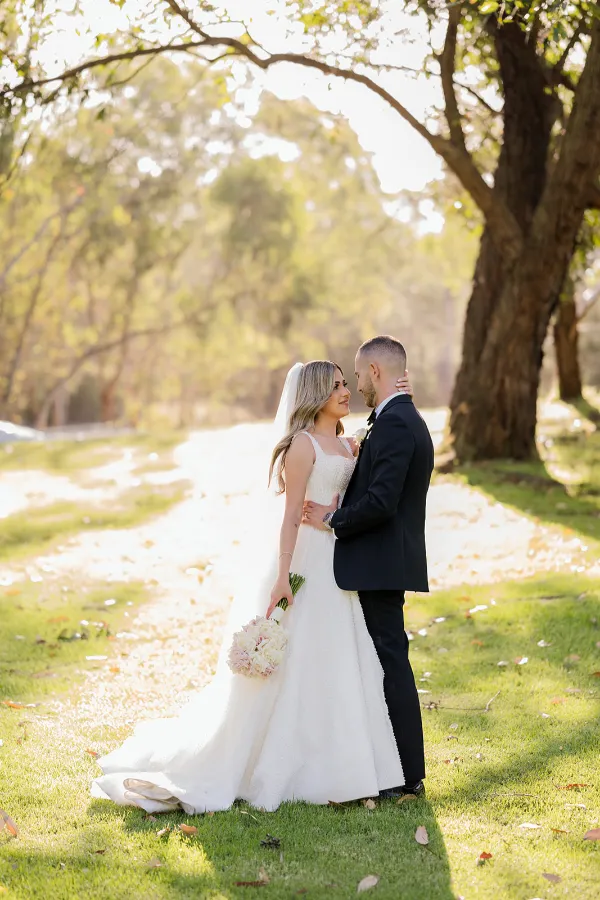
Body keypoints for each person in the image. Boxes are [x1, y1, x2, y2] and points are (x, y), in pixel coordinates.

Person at [91, 356, 416, 813]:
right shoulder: (301, 447)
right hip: (307, 560)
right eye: (337, 386)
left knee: (341, 657)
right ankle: (274, 761)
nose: (346, 392)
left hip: (342, 566)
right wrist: (283, 575)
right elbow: (289, 519)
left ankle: (345, 762)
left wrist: (400, 392)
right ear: (315, 394)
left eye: (347, 383)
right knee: (296, 659)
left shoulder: (349, 446)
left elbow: (358, 492)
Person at [303, 336, 434, 797]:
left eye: (358, 376)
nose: (356, 386)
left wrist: (333, 519)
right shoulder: (395, 418)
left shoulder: (397, 423)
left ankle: (407, 775)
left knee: (391, 664)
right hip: (379, 563)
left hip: (379, 564)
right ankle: (395, 768)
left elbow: (381, 501)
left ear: (375, 372)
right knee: (385, 663)